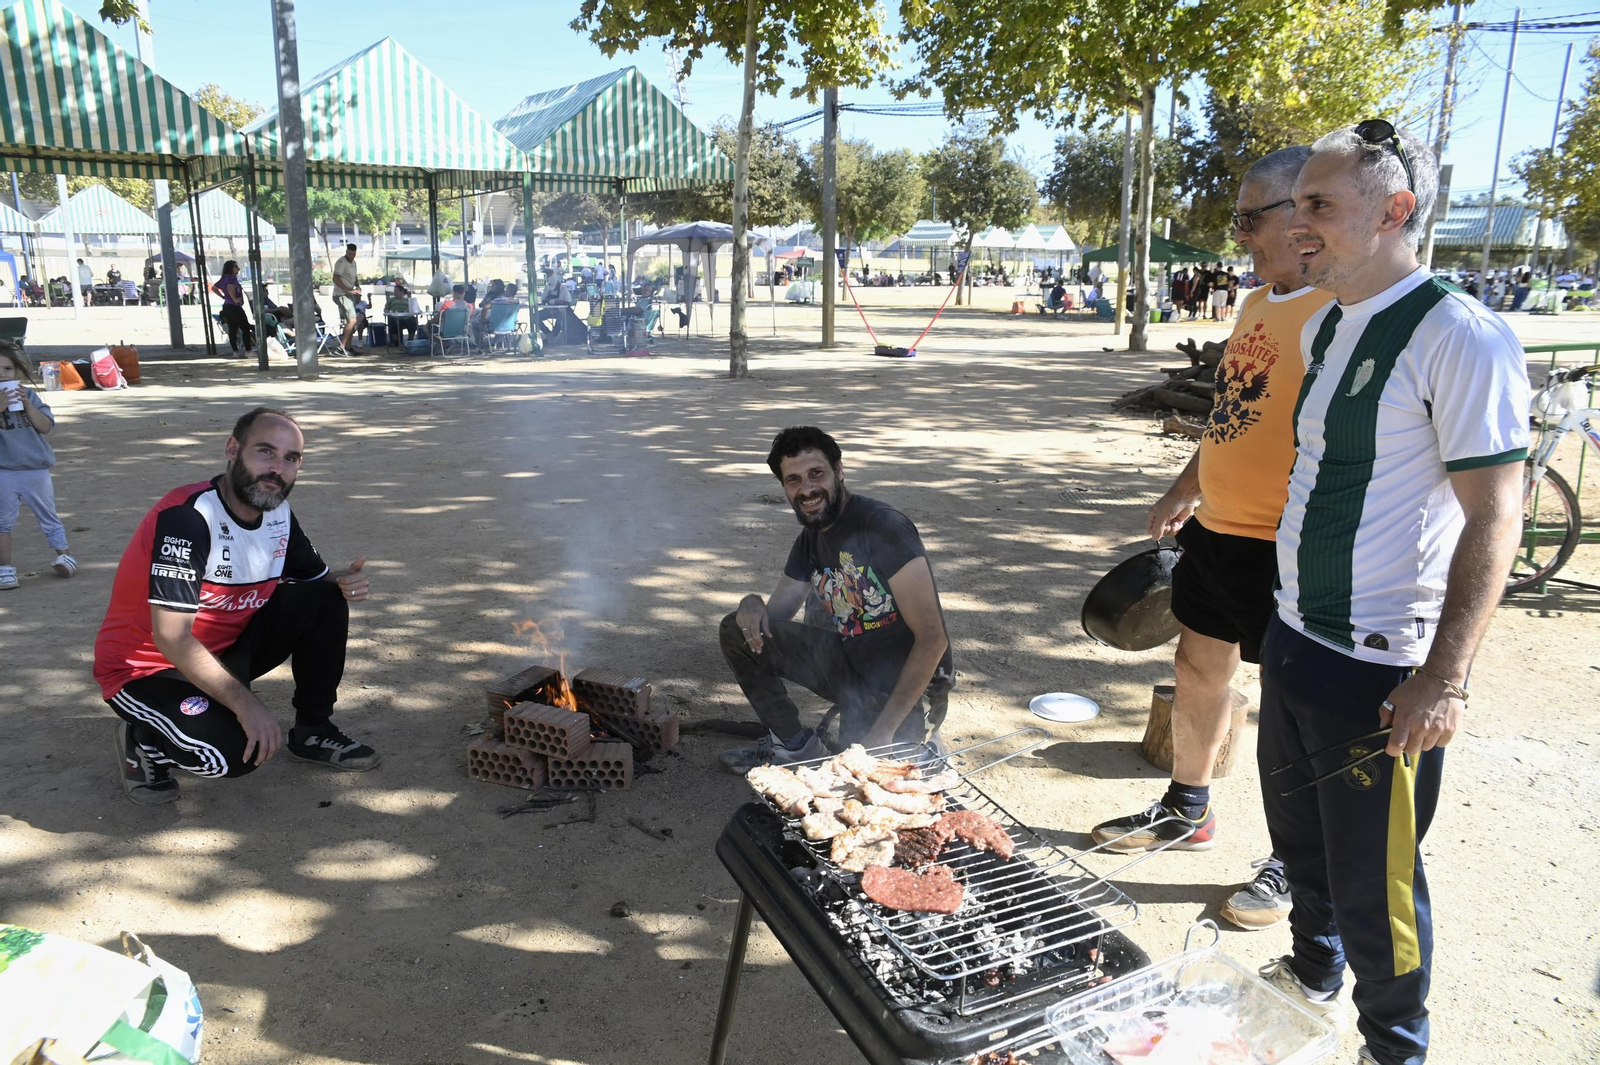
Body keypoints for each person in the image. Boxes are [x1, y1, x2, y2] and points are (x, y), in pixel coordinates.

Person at [1262, 121, 1528, 1065]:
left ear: (1396, 213)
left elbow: (1498, 515)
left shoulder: (1459, 333)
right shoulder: (1331, 321)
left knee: (1379, 886)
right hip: (1295, 634)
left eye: (1321, 207)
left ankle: (1394, 1047)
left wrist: (1446, 677)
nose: (1299, 225)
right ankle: (1310, 973)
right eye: (1296, 206)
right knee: (1300, 846)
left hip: (1380, 668)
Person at [1089, 147, 1331, 932]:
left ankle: (1297, 858)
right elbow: (1236, 413)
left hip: (1289, 543)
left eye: (1248, 217)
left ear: (1303, 215)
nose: (1239, 234)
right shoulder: (1258, 302)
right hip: (1218, 529)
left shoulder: (1342, 310)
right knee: (1197, 669)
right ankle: (1187, 809)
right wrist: (1183, 488)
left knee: (1298, 708)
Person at [94, 407, 379, 805]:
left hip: (222, 654)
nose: (277, 468)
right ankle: (143, 739)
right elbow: (172, 638)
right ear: (233, 449)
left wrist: (345, 580)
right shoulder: (188, 517)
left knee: (324, 598)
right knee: (231, 756)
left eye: (290, 458)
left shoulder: (276, 511)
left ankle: (313, 728)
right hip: (149, 669)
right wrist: (249, 706)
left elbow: (316, 578)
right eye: (265, 451)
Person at [718, 426, 954, 775]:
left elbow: (933, 639)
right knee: (736, 631)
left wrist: (883, 733)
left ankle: (922, 744)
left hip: (897, 680)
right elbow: (771, 625)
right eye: (793, 480)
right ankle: (794, 745)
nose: (807, 489)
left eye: (817, 474)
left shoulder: (883, 527)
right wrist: (751, 603)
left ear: (839, 470)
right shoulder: (810, 540)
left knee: (864, 784)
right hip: (848, 663)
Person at [0, 342, 77, 591]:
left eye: (8, 368)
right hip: (3, 471)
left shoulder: (28, 395)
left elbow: (45, 426)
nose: (3, 374)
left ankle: (64, 555)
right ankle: (5, 569)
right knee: (3, 523)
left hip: (35, 469)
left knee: (49, 516)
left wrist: (28, 406)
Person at [210, 260, 255, 355]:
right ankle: (248, 350)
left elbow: (214, 288)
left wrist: (223, 296)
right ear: (231, 268)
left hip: (227, 306)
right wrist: (234, 299)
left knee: (233, 329)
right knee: (245, 328)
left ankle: (235, 351)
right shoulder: (231, 278)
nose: (238, 268)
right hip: (234, 306)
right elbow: (230, 287)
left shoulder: (223, 278)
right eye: (236, 266)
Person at [331, 243, 362, 351]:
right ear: (346, 252)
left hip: (349, 295)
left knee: (351, 321)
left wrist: (357, 286)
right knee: (352, 320)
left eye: (353, 254)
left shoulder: (354, 263)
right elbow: (335, 278)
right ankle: (342, 346)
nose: (351, 256)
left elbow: (354, 276)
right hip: (341, 294)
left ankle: (348, 347)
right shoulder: (341, 262)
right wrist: (346, 290)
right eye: (349, 254)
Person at [384, 279, 420, 344]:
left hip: (407, 317)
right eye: (394, 291)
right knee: (392, 321)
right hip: (396, 317)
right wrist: (389, 312)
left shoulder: (408, 300)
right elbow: (385, 309)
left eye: (396, 291)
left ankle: (410, 339)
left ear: (402, 292)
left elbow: (414, 309)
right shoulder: (391, 300)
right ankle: (396, 341)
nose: (395, 293)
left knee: (413, 320)